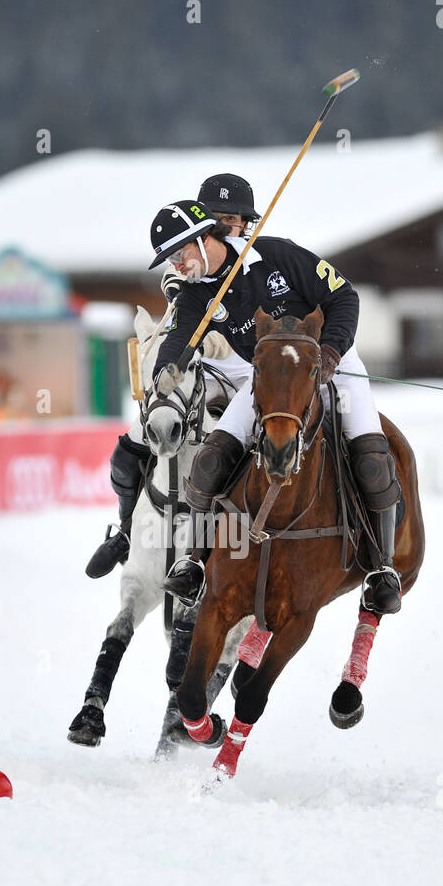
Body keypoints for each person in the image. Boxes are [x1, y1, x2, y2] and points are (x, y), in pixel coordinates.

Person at [147, 201, 403, 616]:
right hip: (269, 379)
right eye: (171, 260)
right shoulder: (197, 294)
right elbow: (180, 338)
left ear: (203, 238)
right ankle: (194, 562)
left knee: (371, 458)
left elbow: (343, 296)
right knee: (211, 458)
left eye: (180, 254)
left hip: (331, 363)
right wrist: (166, 370)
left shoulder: (276, 255)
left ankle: (381, 569)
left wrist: (332, 352)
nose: (177, 266)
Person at [85, 173, 261, 579]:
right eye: (219, 218)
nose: (228, 227)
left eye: (236, 220)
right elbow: (179, 317)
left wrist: (230, 343)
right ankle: (127, 531)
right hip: (192, 373)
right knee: (129, 451)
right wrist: (201, 343)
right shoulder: (185, 265)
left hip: (247, 375)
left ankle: (250, 547)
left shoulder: (256, 262)